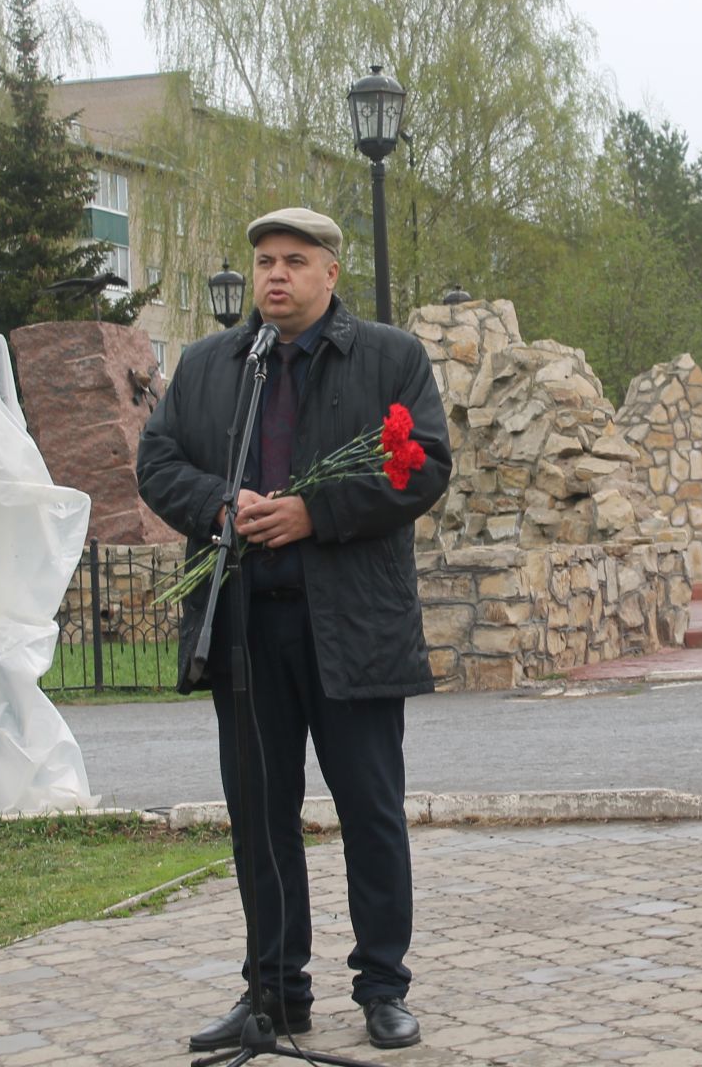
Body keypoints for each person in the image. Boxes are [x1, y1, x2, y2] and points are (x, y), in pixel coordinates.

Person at [136, 207, 452, 1053]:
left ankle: (383, 987)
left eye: (295, 261)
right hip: (244, 630)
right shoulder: (212, 367)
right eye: (266, 262)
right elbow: (156, 460)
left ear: (330, 274)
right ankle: (274, 992)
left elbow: (423, 465)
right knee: (260, 818)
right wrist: (219, 504)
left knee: (370, 811)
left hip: (350, 627)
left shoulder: (390, 357)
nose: (276, 275)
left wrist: (317, 512)